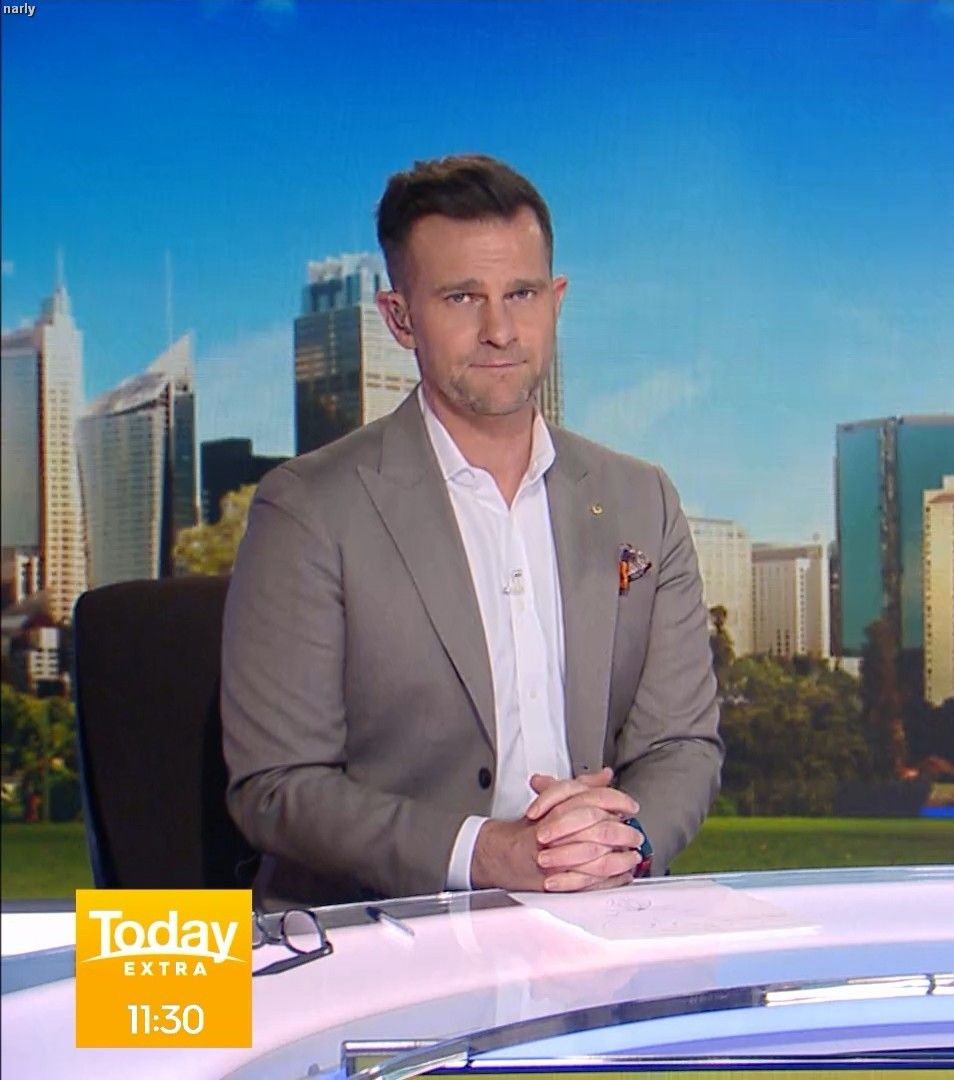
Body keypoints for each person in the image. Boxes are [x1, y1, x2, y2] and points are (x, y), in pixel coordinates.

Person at [223, 154, 723, 908]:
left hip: (603, 914)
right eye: (462, 298)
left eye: (521, 294)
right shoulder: (308, 509)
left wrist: (622, 844)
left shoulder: (641, 499)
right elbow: (277, 786)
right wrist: (488, 854)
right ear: (400, 318)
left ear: (556, 300)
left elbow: (680, 745)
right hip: (383, 929)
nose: (500, 330)